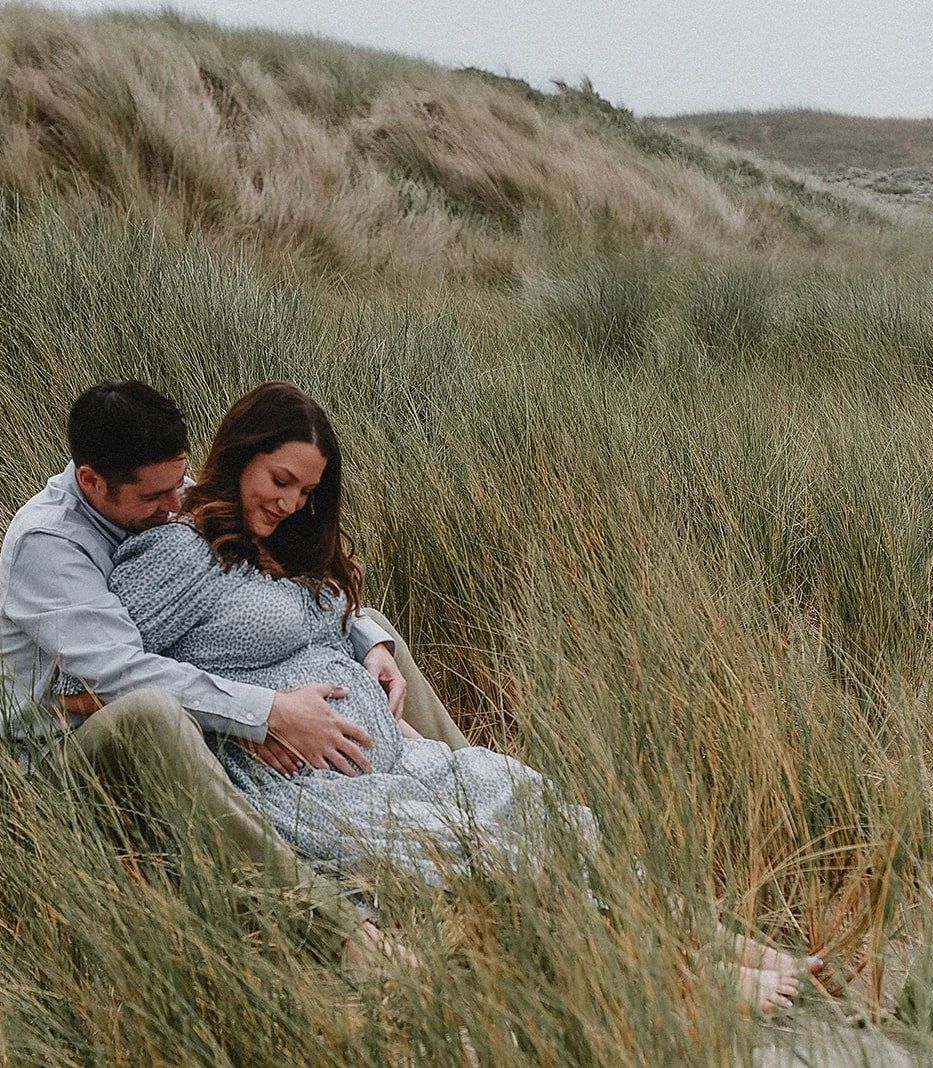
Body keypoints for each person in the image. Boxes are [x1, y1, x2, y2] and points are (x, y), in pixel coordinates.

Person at [100, 380, 820, 1013]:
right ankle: (675, 976)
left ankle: (702, 935)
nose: (290, 504)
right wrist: (253, 720)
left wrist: (371, 649)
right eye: (280, 480)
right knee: (478, 851)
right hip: (293, 787)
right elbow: (110, 679)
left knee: (530, 798)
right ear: (241, 454)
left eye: (307, 493)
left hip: (385, 760)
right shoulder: (178, 552)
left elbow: (329, 620)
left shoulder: (280, 545)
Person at [0, 380, 465, 968]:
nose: (175, 506)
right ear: (91, 481)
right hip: (74, 754)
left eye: (179, 482)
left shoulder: (170, 494)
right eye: (156, 497)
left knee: (378, 637)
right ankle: (340, 933)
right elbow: (113, 682)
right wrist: (266, 713)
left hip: (191, 707)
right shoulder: (48, 545)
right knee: (152, 713)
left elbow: (273, 582)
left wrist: (369, 641)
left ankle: (464, 789)